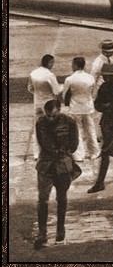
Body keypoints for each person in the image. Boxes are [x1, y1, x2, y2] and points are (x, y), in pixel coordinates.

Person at [34, 99, 80, 249]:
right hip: (46, 165)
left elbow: (74, 144)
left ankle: (61, 229)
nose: (50, 118)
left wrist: (65, 153)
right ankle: (42, 233)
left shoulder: (69, 122)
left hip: (62, 165)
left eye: (53, 115)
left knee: (62, 198)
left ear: (59, 110)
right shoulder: (41, 123)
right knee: (42, 199)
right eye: (48, 115)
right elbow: (42, 142)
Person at [87, 63, 113, 194]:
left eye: (108, 76)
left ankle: (99, 182)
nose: (105, 77)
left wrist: (105, 106)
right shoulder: (103, 87)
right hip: (106, 121)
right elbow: (97, 104)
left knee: (105, 151)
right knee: (111, 151)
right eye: (104, 75)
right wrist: (105, 106)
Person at [62, 56, 99, 163]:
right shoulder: (90, 78)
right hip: (88, 106)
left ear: (75, 65)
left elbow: (65, 94)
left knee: (76, 131)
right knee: (90, 130)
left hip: (75, 107)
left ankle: (79, 155)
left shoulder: (70, 79)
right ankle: (94, 152)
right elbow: (93, 93)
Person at [27, 54, 63, 160]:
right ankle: (51, 151)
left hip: (37, 102)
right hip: (49, 104)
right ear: (49, 63)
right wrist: (63, 86)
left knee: (37, 127)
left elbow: (29, 88)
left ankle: (37, 153)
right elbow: (56, 90)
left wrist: (38, 94)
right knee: (51, 128)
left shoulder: (33, 73)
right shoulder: (50, 75)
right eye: (52, 63)